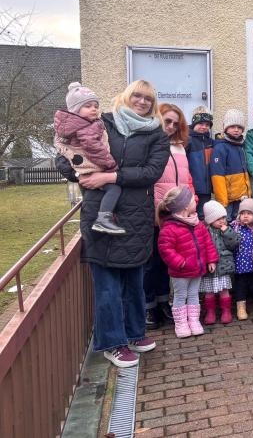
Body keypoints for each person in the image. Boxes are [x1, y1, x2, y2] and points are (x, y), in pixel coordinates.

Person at [55, 79, 169, 368]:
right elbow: (66, 153)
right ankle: (112, 343)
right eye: (137, 96)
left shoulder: (157, 134)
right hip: (100, 213)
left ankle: (134, 333)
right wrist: (78, 171)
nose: (142, 102)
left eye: (148, 99)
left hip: (137, 217)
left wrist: (110, 177)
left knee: (134, 282)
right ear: (126, 97)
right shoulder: (102, 122)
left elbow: (151, 172)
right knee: (107, 285)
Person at [142, 103, 194, 330]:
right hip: (155, 212)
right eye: (167, 121)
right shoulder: (148, 143)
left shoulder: (180, 147)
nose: (171, 126)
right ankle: (148, 306)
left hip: (177, 212)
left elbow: (187, 178)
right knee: (150, 261)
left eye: (175, 123)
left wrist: (191, 202)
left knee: (167, 261)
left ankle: (164, 302)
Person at [54, 82, 124, 235]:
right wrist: (111, 166)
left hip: (84, 170)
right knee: (114, 188)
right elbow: (94, 148)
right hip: (92, 168)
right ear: (75, 110)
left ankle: (104, 218)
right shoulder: (86, 127)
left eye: (95, 105)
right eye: (88, 106)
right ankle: (104, 219)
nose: (94, 109)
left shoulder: (72, 127)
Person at [157, 186, 218, 338]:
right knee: (180, 296)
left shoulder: (197, 223)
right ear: (184, 206)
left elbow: (207, 242)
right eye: (192, 199)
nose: (196, 200)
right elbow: (165, 249)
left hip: (197, 269)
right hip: (181, 272)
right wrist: (180, 263)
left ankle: (194, 321)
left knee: (193, 295)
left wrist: (211, 259)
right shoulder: (169, 228)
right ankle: (181, 323)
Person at [200, 200, 240, 326]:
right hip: (209, 269)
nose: (222, 221)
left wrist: (227, 232)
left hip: (224, 266)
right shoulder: (205, 230)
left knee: (224, 290)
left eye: (223, 217)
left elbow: (234, 243)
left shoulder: (228, 229)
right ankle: (210, 312)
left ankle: (226, 311)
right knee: (209, 292)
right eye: (218, 219)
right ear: (210, 220)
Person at [211, 109, 252, 220]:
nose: (236, 130)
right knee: (226, 223)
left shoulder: (241, 146)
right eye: (232, 127)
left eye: (239, 128)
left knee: (239, 223)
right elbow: (217, 176)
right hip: (227, 200)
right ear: (225, 128)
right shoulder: (220, 147)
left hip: (241, 197)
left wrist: (248, 194)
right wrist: (222, 201)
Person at [231, 198, 253, 320]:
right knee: (240, 287)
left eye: (249, 213)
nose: (245, 216)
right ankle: (241, 308)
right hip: (239, 265)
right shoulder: (235, 227)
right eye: (243, 213)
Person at [186, 106, 215, 218]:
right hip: (192, 186)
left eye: (207, 125)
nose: (204, 127)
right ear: (194, 124)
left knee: (203, 215)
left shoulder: (211, 142)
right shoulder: (188, 140)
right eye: (201, 124)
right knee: (190, 213)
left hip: (206, 189)